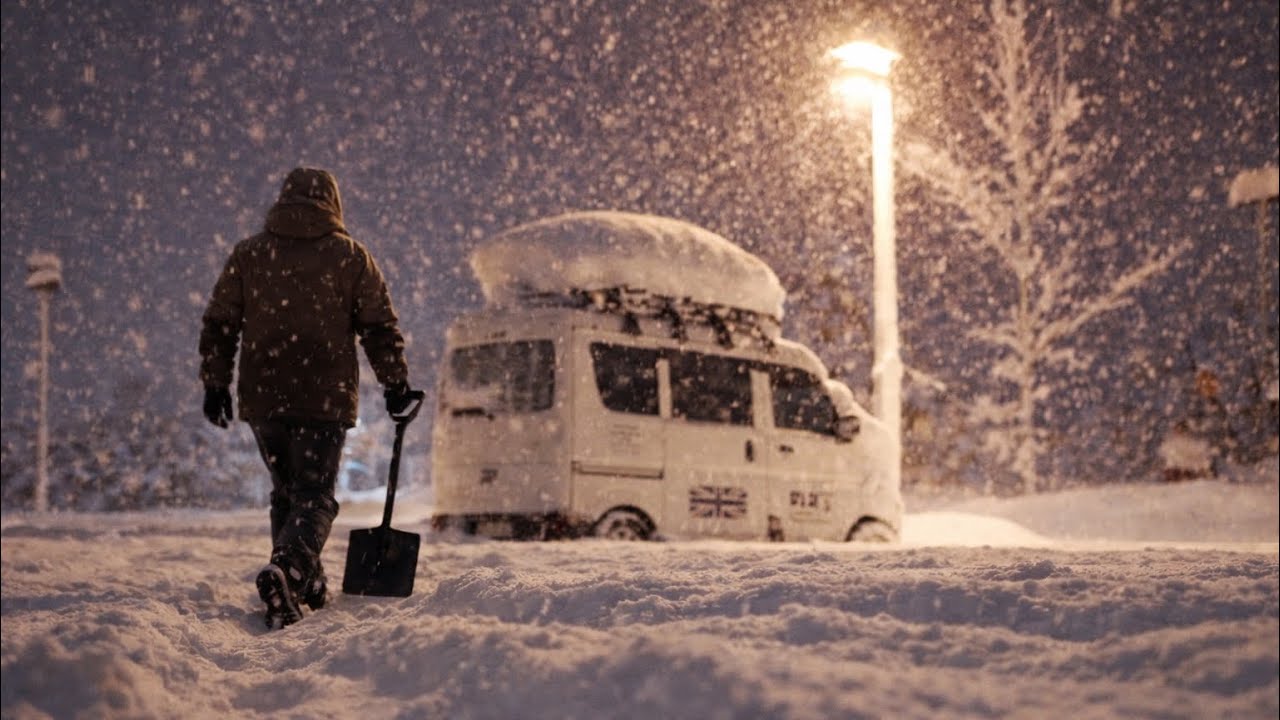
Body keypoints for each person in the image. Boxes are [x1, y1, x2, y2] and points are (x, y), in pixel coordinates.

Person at [199, 167, 415, 629]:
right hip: (324, 396)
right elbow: (379, 327)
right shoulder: (350, 256)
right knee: (315, 496)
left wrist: (215, 383)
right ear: (332, 203)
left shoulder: (250, 254)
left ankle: (305, 581)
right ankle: (292, 568)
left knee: (288, 493)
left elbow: (219, 324)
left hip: (264, 397)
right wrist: (395, 384)